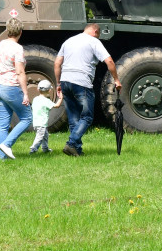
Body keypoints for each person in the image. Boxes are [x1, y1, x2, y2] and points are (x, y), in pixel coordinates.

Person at [54, 23, 122, 157]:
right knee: (87, 117)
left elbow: (57, 63)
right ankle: (72, 144)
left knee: (74, 118)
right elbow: (109, 61)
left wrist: (58, 83)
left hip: (65, 80)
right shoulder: (93, 41)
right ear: (96, 31)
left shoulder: (69, 41)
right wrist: (116, 80)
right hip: (81, 82)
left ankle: (76, 151)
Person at [0, 18, 32, 160]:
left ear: (7, 30)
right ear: (20, 32)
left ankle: (3, 158)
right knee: (27, 118)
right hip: (10, 87)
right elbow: (20, 72)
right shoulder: (18, 48)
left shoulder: (1, 44)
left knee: (3, 123)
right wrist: (26, 94)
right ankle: (7, 144)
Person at [29, 79, 62, 154]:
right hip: (42, 123)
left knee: (45, 135)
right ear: (50, 90)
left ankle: (45, 149)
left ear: (38, 89)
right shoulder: (46, 101)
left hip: (36, 122)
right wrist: (61, 98)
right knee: (40, 137)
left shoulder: (35, 99)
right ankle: (33, 149)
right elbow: (57, 105)